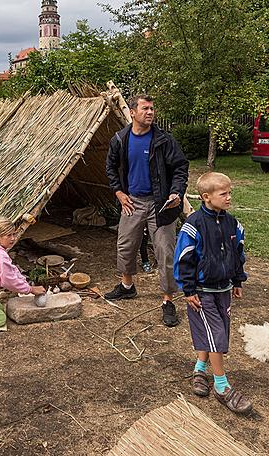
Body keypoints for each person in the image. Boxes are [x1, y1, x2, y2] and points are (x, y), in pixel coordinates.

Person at [105, 94, 188, 326]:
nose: (150, 112)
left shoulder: (164, 140)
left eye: (152, 109)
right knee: (125, 245)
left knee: (165, 251)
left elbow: (181, 167)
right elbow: (110, 167)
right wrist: (119, 193)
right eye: (145, 108)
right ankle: (127, 286)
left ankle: (168, 300)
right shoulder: (120, 139)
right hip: (132, 201)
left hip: (161, 204)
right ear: (132, 112)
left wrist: (176, 193)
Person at [173, 172, 252, 414]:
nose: (229, 197)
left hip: (224, 290)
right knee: (216, 335)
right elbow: (184, 258)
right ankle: (221, 386)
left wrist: (238, 280)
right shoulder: (193, 225)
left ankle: (199, 369)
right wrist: (188, 289)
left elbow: (238, 253)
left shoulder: (232, 224)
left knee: (217, 332)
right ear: (206, 197)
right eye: (224, 194)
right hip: (201, 291)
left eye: (230, 193)